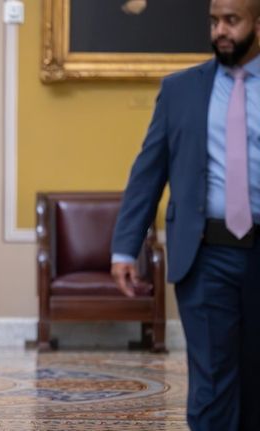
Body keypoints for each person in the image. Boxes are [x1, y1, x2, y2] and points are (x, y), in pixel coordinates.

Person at [111, 0, 260, 429]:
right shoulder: (181, 90)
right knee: (212, 381)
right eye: (214, 21)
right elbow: (148, 172)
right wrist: (125, 248)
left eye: (232, 21)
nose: (220, 32)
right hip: (205, 253)